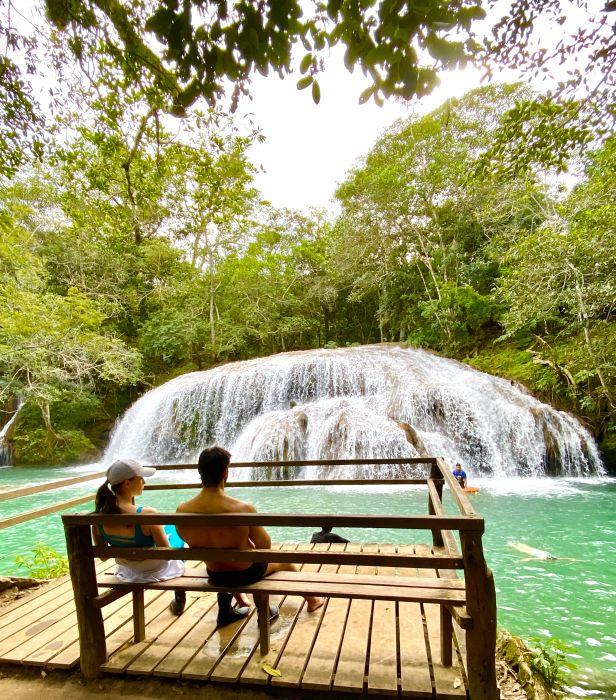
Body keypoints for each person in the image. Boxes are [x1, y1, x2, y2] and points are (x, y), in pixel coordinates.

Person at [177, 446, 325, 627]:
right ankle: (312, 600)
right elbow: (265, 546)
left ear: (200, 473)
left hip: (215, 574)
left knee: (230, 556)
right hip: (246, 574)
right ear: (225, 472)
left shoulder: (182, 510)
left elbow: (187, 539)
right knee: (284, 562)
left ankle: (238, 604)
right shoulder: (243, 509)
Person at [93, 458, 187, 615]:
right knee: (174, 530)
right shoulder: (147, 514)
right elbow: (167, 553)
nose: (144, 482)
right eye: (140, 478)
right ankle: (179, 593)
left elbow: (103, 557)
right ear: (127, 483)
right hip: (156, 570)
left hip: (127, 571)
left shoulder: (98, 519)